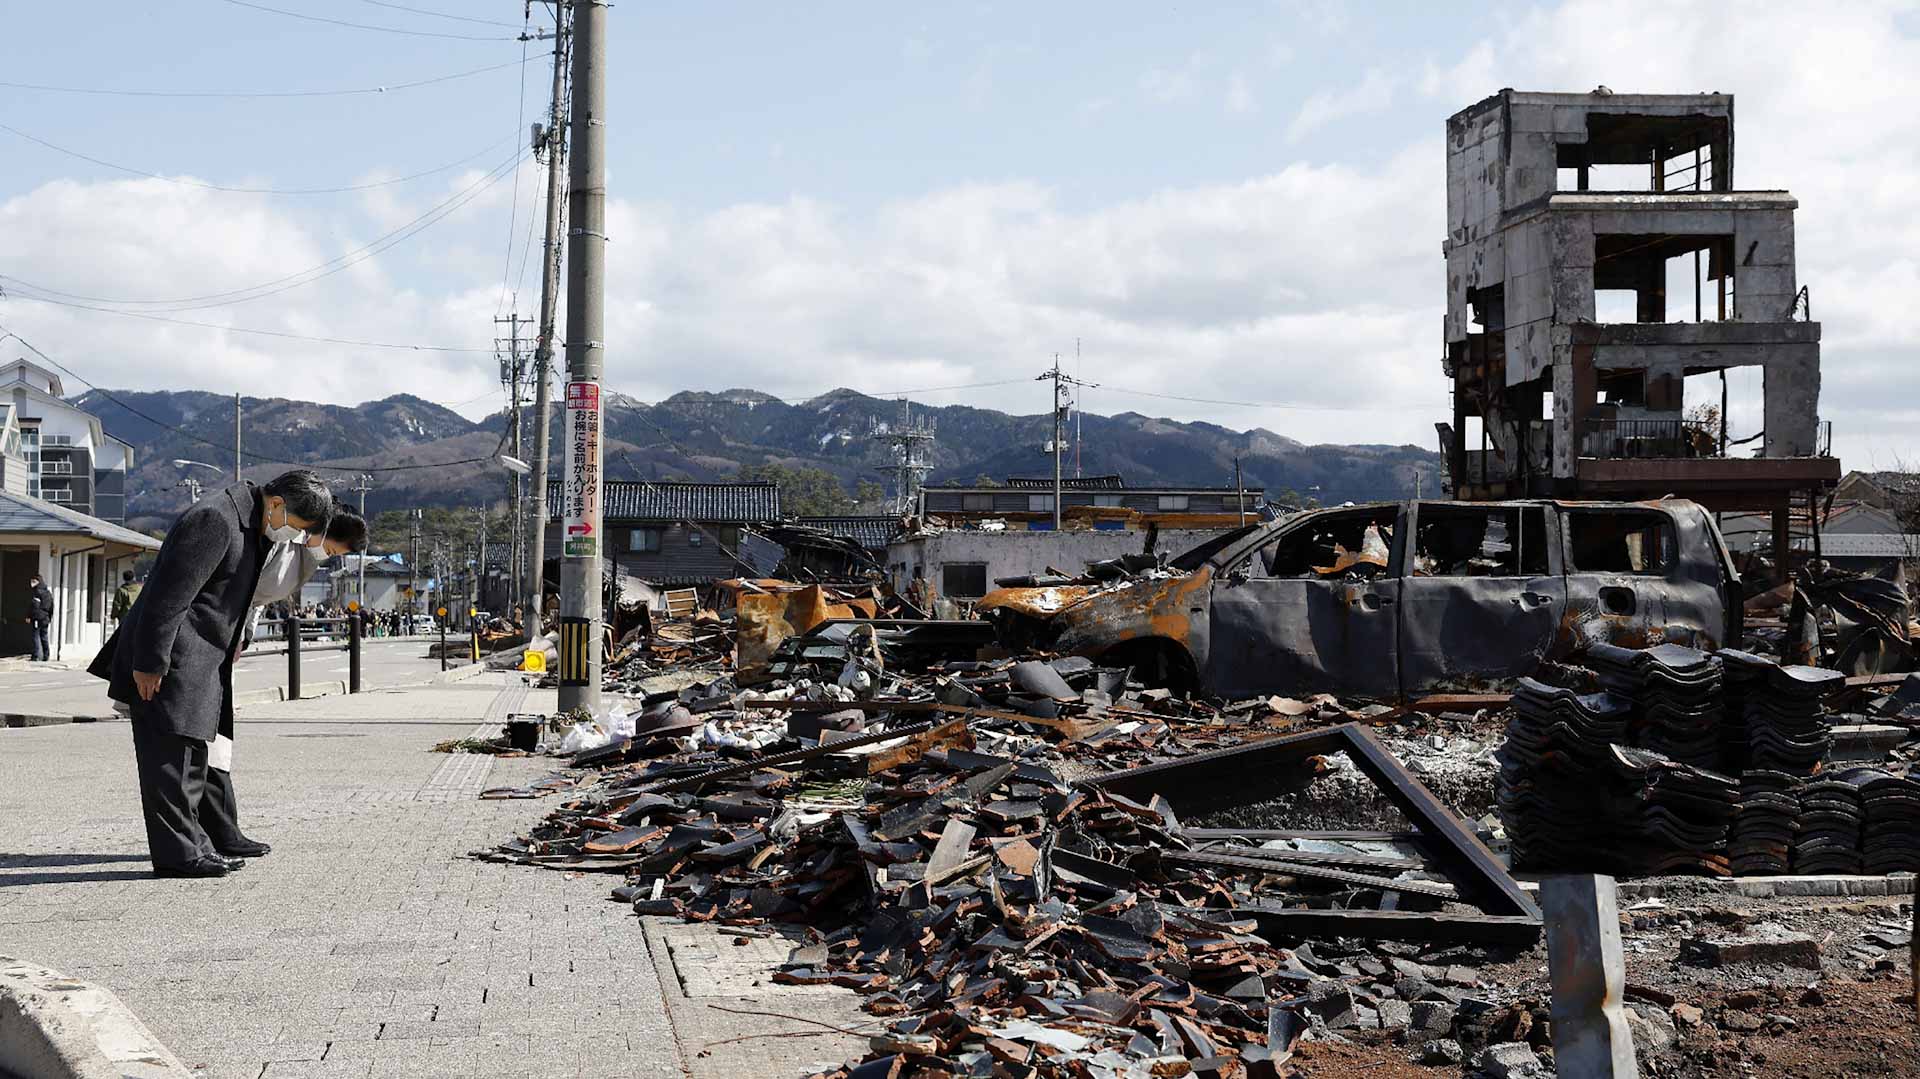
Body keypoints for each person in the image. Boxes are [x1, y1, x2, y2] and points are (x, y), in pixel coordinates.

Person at [89, 469, 333, 879]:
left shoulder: (249, 523)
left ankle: (196, 845)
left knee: (191, 757)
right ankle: (178, 855)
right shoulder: (215, 519)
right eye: (296, 526)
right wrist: (149, 663)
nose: (292, 536)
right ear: (277, 504)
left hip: (202, 658)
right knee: (168, 760)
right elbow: (169, 595)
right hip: (171, 659)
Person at [197, 502, 368, 859]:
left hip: (227, 638)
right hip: (206, 636)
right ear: (321, 530)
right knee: (207, 739)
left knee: (218, 741)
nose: (328, 556)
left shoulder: (301, 557)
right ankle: (214, 833)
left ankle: (219, 830)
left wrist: (244, 635)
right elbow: (245, 587)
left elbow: (257, 601)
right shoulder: (280, 542)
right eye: (332, 549)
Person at [26, 572, 54, 661]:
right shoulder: (48, 593)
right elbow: (52, 606)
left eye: (33, 581)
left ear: (38, 581)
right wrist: (49, 617)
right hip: (45, 618)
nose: (32, 583)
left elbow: (34, 606)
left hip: (38, 618)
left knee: (35, 636)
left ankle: (35, 656)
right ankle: (46, 655)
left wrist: (29, 616)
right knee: (44, 637)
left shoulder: (37, 592)